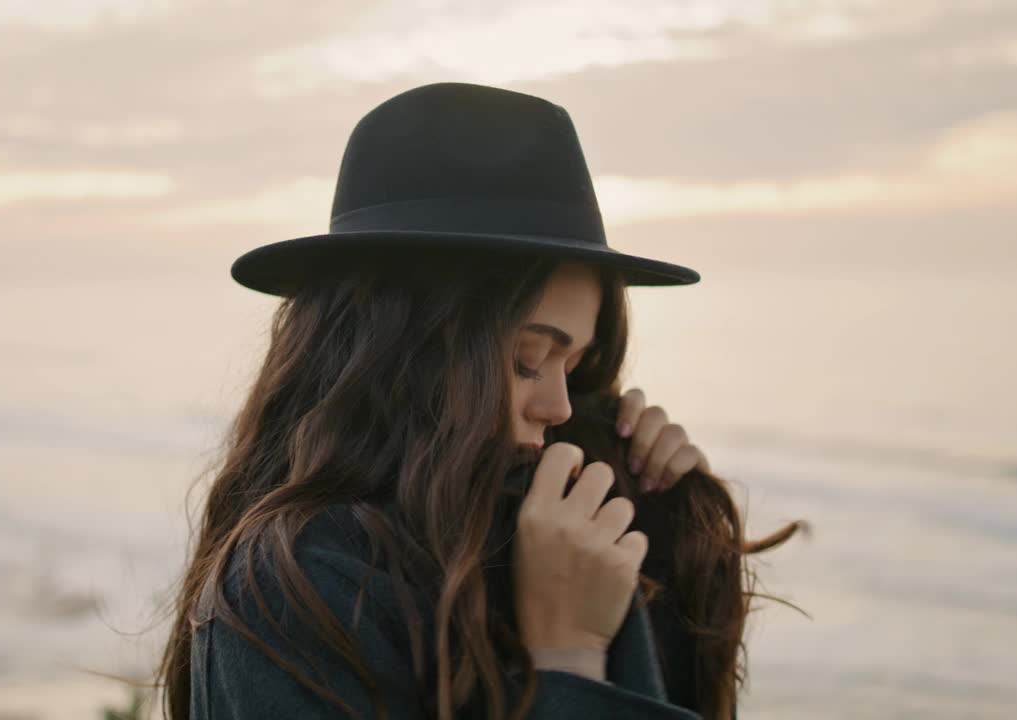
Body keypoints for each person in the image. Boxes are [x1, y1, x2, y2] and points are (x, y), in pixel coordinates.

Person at [158, 82, 804, 719]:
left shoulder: (554, 530)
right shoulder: (295, 590)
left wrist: (674, 521)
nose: (559, 407)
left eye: (572, 366)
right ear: (402, 351)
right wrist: (569, 659)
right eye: (527, 362)